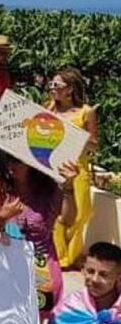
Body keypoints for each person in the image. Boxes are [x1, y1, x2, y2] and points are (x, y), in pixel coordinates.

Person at [0, 158, 78, 320]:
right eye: (6, 157)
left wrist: (68, 188)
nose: (10, 164)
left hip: (42, 267)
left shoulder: (49, 189)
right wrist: (2, 218)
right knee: (7, 322)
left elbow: (68, 220)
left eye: (17, 160)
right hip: (6, 267)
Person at [50, 67, 100, 269]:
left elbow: (95, 143)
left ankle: (71, 254)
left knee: (80, 215)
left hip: (77, 167)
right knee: (55, 213)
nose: (51, 88)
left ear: (69, 89)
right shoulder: (50, 108)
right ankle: (60, 257)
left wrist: (73, 136)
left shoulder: (86, 112)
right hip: (54, 165)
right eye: (51, 85)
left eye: (56, 85)